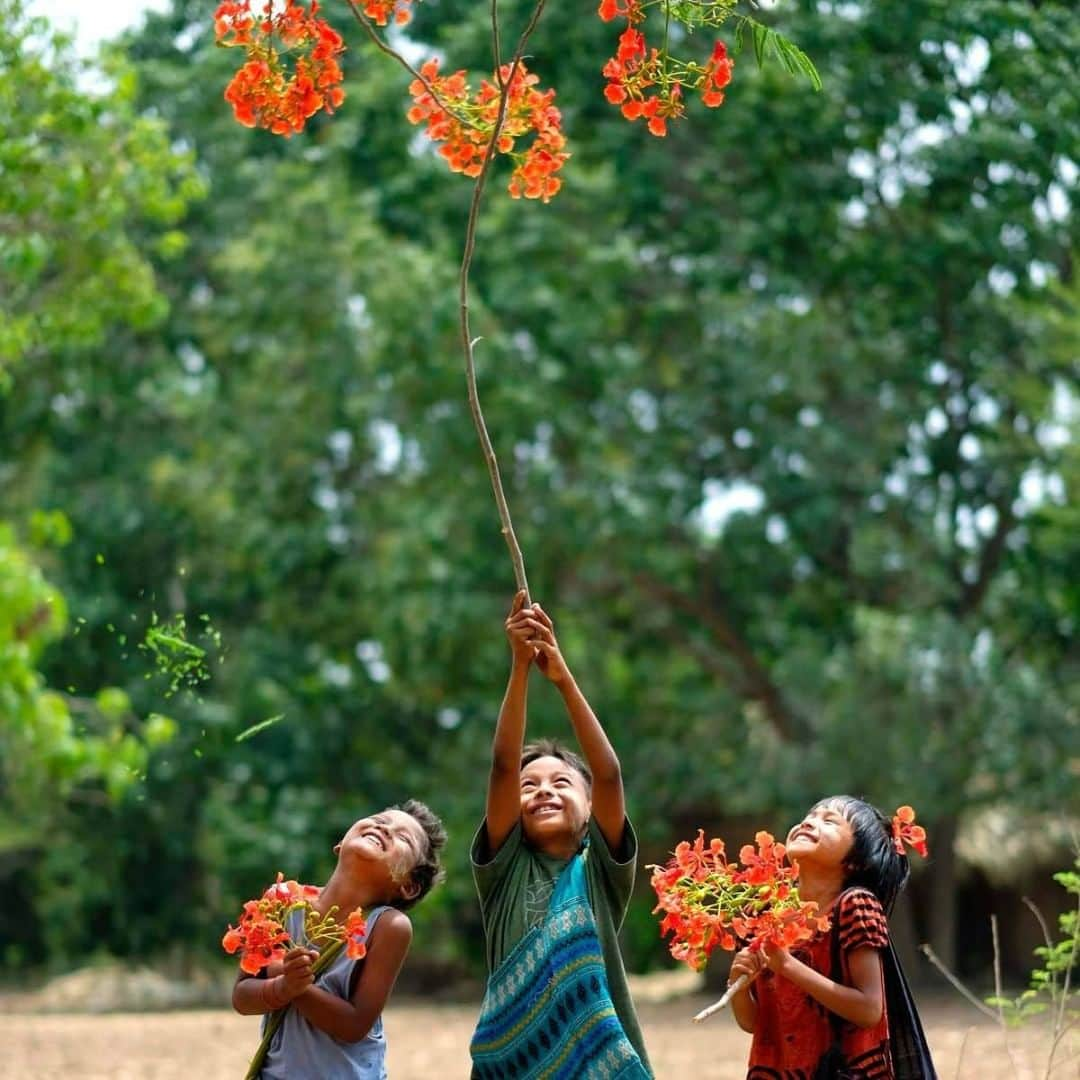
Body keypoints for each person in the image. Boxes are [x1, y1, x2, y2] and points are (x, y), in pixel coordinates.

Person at [469, 591, 652, 1079]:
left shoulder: (600, 872)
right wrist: (520, 668)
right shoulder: (504, 871)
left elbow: (608, 773)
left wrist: (562, 676)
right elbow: (503, 764)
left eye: (561, 783)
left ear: (591, 809)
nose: (543, 792)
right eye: (529, 788)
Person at [232, 800, 447, 1079]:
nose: (384, 828)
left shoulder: (388, 926)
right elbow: (241, 996)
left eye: (403, 837)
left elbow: (355, 1026)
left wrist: (298, 988)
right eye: (379, 819)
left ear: (408, 886)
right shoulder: (280, 901)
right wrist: (281, 987)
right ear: (341, 843)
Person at [728, 796, 937, 1079]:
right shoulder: (764, 912)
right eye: (809, 816)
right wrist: (738, 986)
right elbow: (754, 1023)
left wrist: (788, 966)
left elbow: (869, 1010)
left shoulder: (855, 905)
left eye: (829, 821)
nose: (809, 822)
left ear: (856, 862)